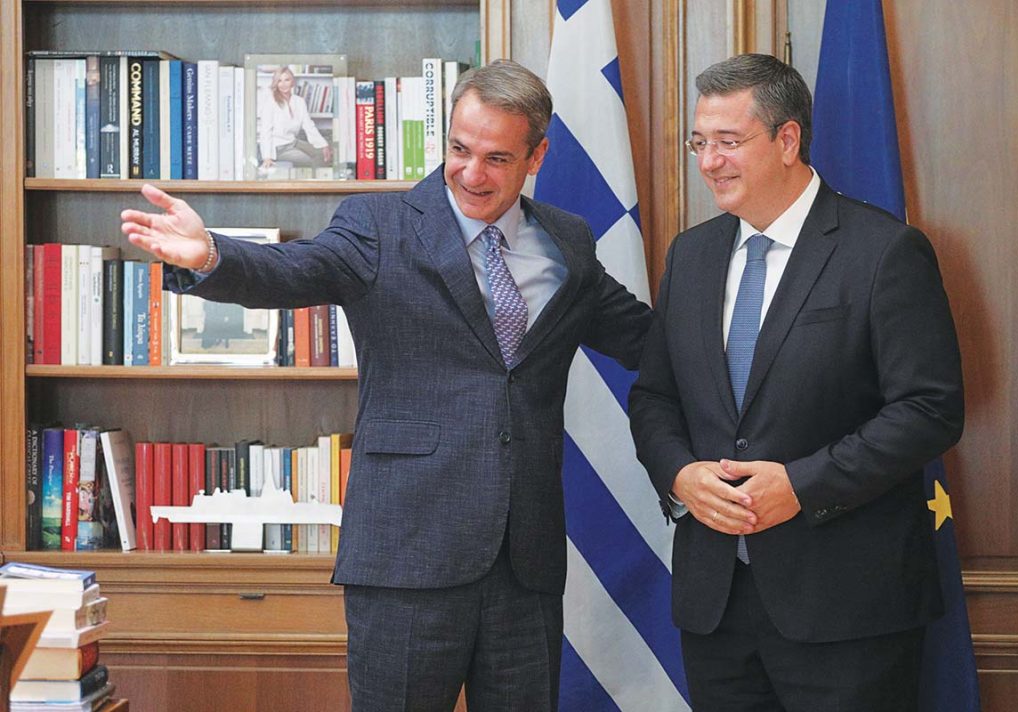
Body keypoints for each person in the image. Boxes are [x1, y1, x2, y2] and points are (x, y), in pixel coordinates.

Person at [121, 59, 651, 712]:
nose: (471, 173)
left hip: (525, 567)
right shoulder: (378, 226)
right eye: (460, 149)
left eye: (496, 158)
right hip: (406, 560)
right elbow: (294, 269)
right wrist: (210, 255)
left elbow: (645, 340)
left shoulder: (567, 243)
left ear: (536, 156)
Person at [628, 53, 964, 712]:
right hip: (716, 606)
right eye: (700, 142)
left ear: (787, 140)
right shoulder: (690, 255)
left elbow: (929, 409)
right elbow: (655, 397)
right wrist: (680, 475)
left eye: (728, 141)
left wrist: (802, 486)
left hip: (848, 610)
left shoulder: (883, 251)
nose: (708, 162)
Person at [257, 65, 333, 171]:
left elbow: (309, 126)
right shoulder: (270, 102)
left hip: (293, 142)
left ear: (292, 81)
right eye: (279, 81)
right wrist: (267, 157)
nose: (283, 84)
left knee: (324, 153)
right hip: (278, 148)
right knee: (309, 161)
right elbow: (265, 131)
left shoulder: (299, 101)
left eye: (287, 80)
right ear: (276, 83)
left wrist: (323, 145)